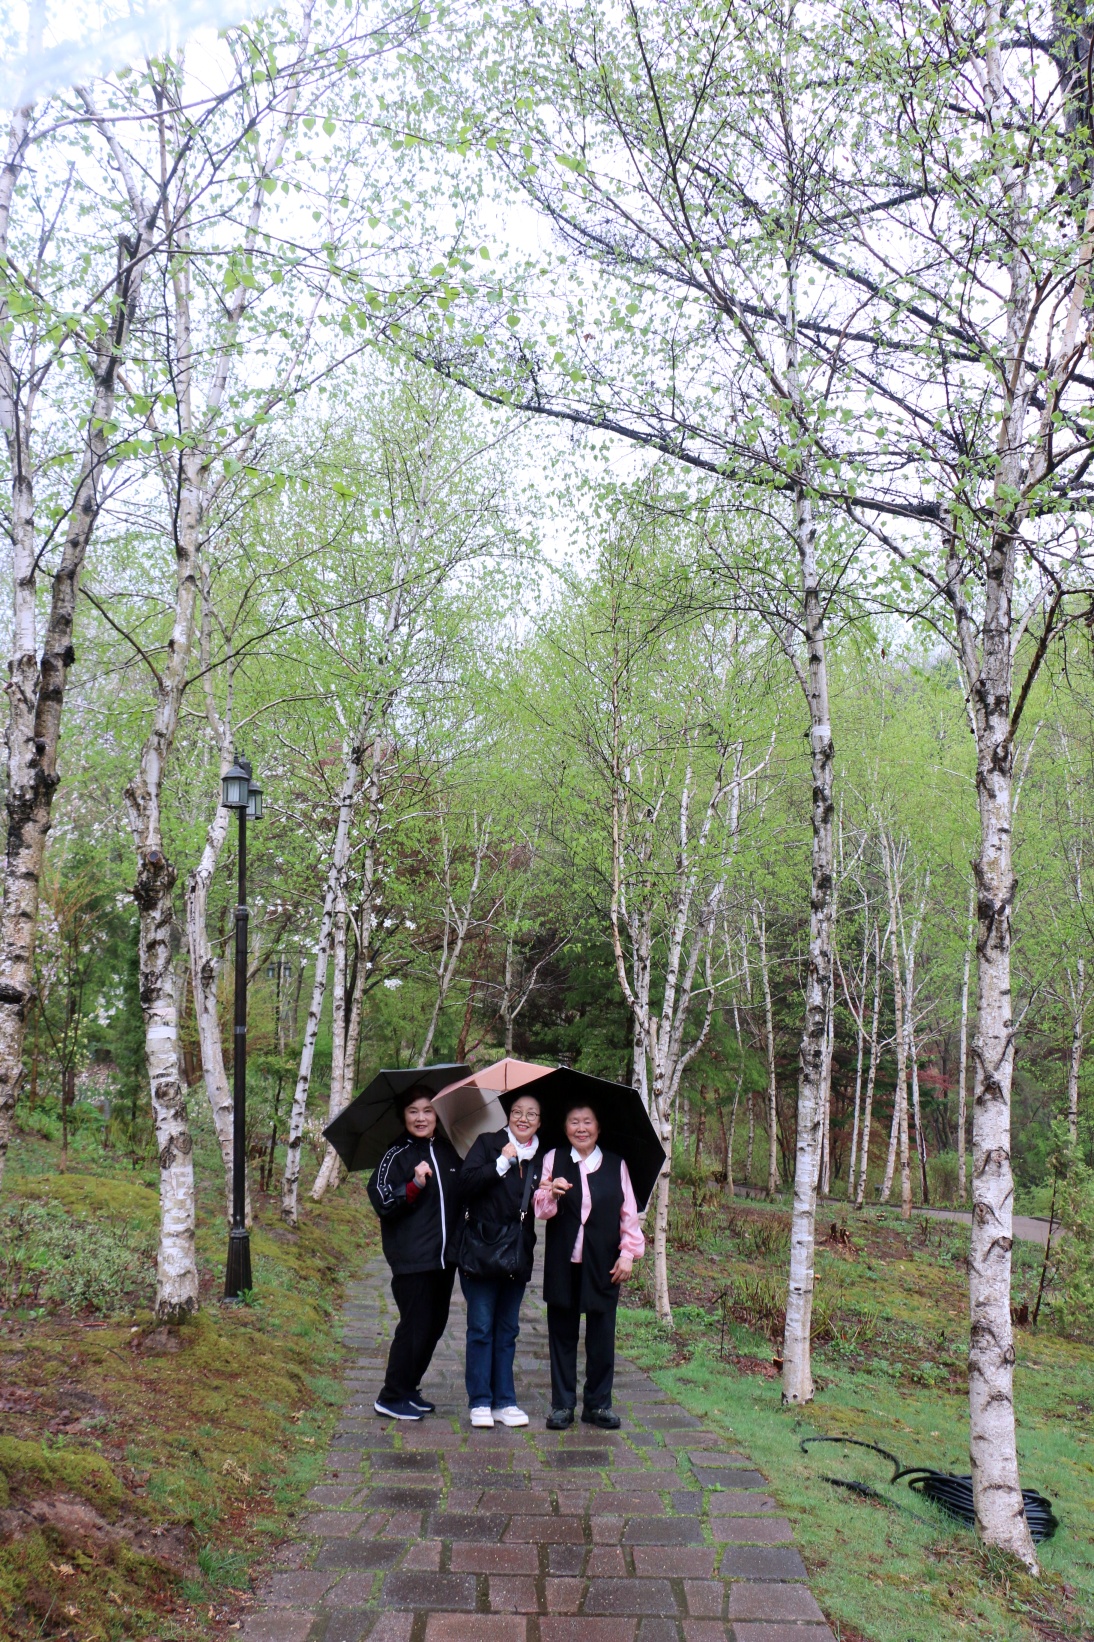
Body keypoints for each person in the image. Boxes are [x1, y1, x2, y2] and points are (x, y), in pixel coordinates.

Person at [534, 1102, 645, 1430]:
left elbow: (629, 1214)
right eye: (573, 1122)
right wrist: (551, 1194)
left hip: (604, 1263)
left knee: (601, 1336)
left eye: (587, 1122)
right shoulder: (553, 1159)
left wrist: (628, 1254)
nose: (580, 1128)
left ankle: (598, 1405)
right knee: (562, 1335)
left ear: (598, 1127)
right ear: (564, 1127)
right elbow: (540, 1208)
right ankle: (562, 1405)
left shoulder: (616, 1164)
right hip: (563, 1261)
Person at [367, 1088, 462, 1421]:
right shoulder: (396, 1155)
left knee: (434, 1326)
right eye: (413, 1111)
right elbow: (381, 1200)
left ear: (437, 1115)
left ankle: (408, 1388)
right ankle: (390, 1396)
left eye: (428, 1111)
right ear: (403, 1116)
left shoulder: (449, 1151)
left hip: (445, 1258)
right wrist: (414, 1185)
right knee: (414, 1326)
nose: (421, 1118)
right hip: (412, 1258)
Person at [457, 1092, 544, 1429]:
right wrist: (502, 1163)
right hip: (481, 1249)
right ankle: (480, 1400)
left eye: (532, 1114)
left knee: (507, 1329)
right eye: (517, 1112)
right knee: (481, 1328)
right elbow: (465, 1185)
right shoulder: (488, 1143)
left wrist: (550, 1192)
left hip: (516, 1254)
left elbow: (540, 1208)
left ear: (539, 1121)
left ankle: (504, 1401)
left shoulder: (541, 1158)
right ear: (508, 1115)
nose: (523, 1118)